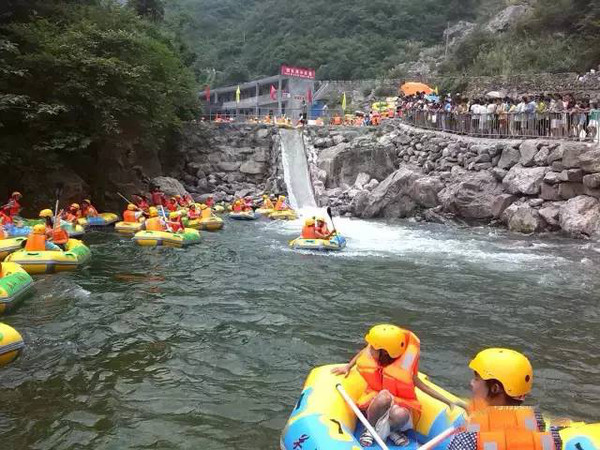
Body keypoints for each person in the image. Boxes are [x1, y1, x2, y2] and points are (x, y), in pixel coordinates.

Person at [332, 324, 461, 447]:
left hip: (397, 406)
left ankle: (390, 430)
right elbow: (361, 354)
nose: (368, 348)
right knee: (384, 396)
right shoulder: (372, 354)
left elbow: (425, 387)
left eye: (373, 347)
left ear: (385, 352)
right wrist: (348, 367)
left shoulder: (404, 369)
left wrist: (449, 402)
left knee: (401, 414)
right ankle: (369, 429)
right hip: (375, 401)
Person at [447, 348, 560, 450]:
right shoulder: (537, 423)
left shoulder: (468, 438)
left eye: (477, 379)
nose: (471, 383)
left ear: (495, 388)